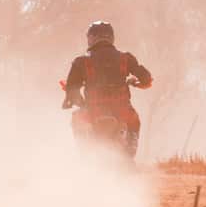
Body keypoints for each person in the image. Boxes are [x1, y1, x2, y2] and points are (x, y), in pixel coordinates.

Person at [62, 21, 153, 159]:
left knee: (77, 119)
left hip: (92, 112)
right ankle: (130, 149)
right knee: (134, 121)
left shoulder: (81, 62)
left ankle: (83, 153)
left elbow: (72, 90)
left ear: (92, 38)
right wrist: (136, 83)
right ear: (111, 37)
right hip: (122, 111)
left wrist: (82, 103)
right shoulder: (126, 58)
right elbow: (146, 78)